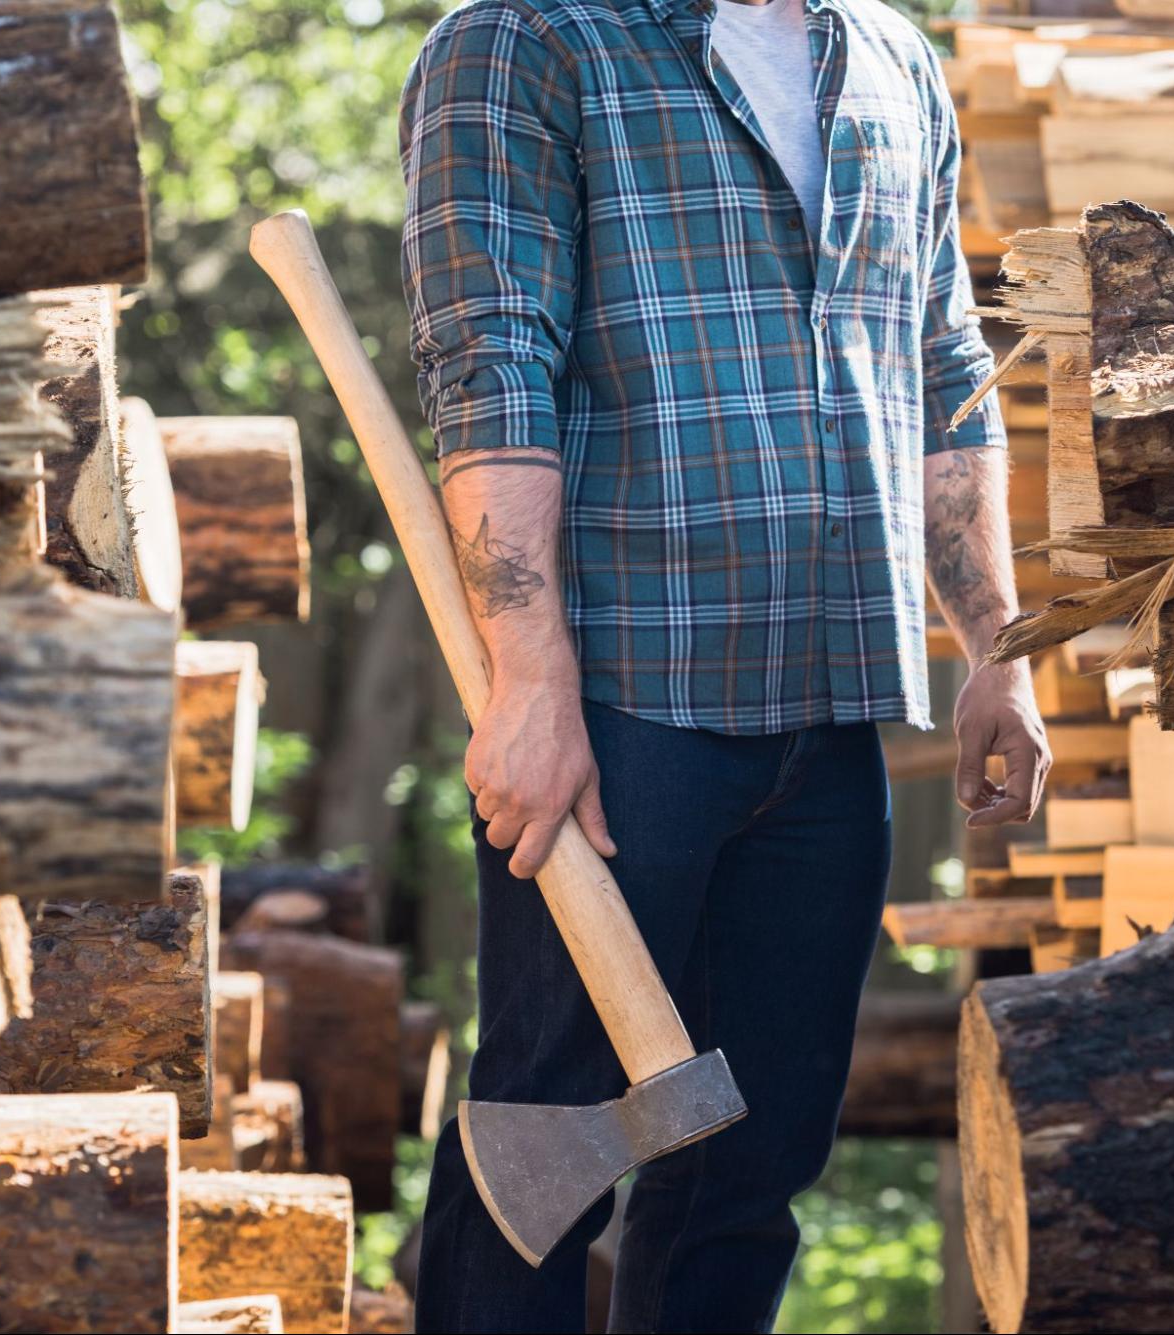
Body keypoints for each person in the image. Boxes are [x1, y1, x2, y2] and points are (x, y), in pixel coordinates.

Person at [398, 0, 1048, 1329]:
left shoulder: (891, 57)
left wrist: (1000, 649)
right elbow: (493, 366)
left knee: (750, 1180)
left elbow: (942, 362)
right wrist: (529, 683)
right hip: (622, 713)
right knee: (542, 1151)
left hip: (834, 704)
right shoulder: (525, 39)